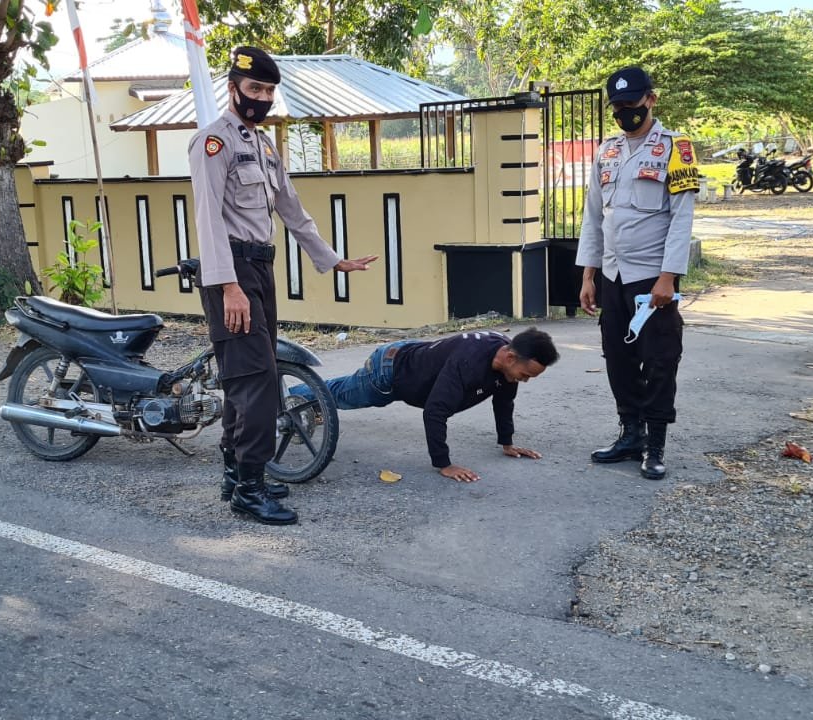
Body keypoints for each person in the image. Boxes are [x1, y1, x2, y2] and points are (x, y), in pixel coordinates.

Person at [189, 46, 378, 525]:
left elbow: (291, 209)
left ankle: (237, 473)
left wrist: (333, 260)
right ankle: (249, 491)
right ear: (233, 89)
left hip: (260, 270)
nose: (262, 98)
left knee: (254, 374)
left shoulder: (263, 144)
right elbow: (209, 219)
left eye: (269, 91)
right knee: (254, 380)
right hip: (231, 272)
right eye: (254, 89)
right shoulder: (215, 142)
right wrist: (228, 286)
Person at [575, 66, 699, 481]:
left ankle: (656, 443)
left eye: (632, 103)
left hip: (651, 276)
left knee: (660, 359)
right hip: (611, 274)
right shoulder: (606, 150)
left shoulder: (676, 149)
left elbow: (681, 219)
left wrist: (669, 276)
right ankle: (631, 434)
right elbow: (593, 216)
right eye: (618, 105)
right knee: (619, 357)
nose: (625, 111)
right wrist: (589, 274)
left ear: (651, 99)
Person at [290, 329, 560, 482]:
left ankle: (305, 401)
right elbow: (435, 411)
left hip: (416, 355)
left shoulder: (506, 359)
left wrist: (507, 442)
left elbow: (504, 401)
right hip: (390, 371)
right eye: (525, 375)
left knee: (338, 393)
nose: (524, 381)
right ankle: (284, 397)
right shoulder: (468, 364)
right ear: (511, 357)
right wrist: (444, 464)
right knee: (340, 395)